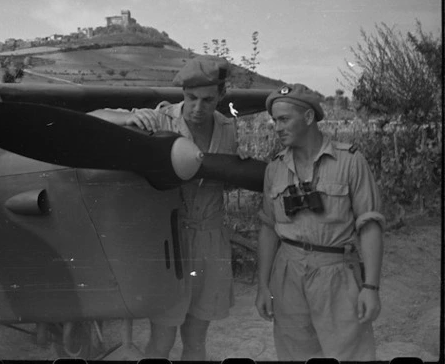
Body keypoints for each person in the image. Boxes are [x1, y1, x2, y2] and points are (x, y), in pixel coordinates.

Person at [89, 58, 240, 360]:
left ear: (221, 96)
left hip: (210, 240)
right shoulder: (161, 119)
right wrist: (129, 119)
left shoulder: (228, 128)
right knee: (162, 340)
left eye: (208, 100)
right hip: (170, 243)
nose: (197, 108)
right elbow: (92, 118)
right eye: (191, 98)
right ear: (183, 93)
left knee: (197, 340)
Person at [255, 83, 384, 361]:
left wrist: (371, 288)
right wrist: (263, 286)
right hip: (287, 274)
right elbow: (268, 228)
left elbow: (370, 225)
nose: (277, 127)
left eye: (284, 119)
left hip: (336, 274)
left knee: (350, 354)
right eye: (274, 120)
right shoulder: (274, 169)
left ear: (309, 118)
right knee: (294, 355)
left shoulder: (350, 161)